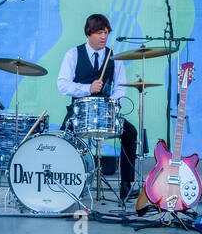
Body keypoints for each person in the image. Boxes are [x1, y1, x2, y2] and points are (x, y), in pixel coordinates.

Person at [57, 13, 140, 200]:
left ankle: (126, 184)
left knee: (131, 132)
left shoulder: (114, 57)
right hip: (79, 111)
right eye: (99, 32)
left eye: (106, 32)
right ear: (88, 33)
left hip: (106, 111)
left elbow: (121, 87)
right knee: (63, 140)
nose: (103, 36)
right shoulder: (73, 54)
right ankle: (63, 183)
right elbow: (62, 84)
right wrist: (88, 88)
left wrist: (112, 105)